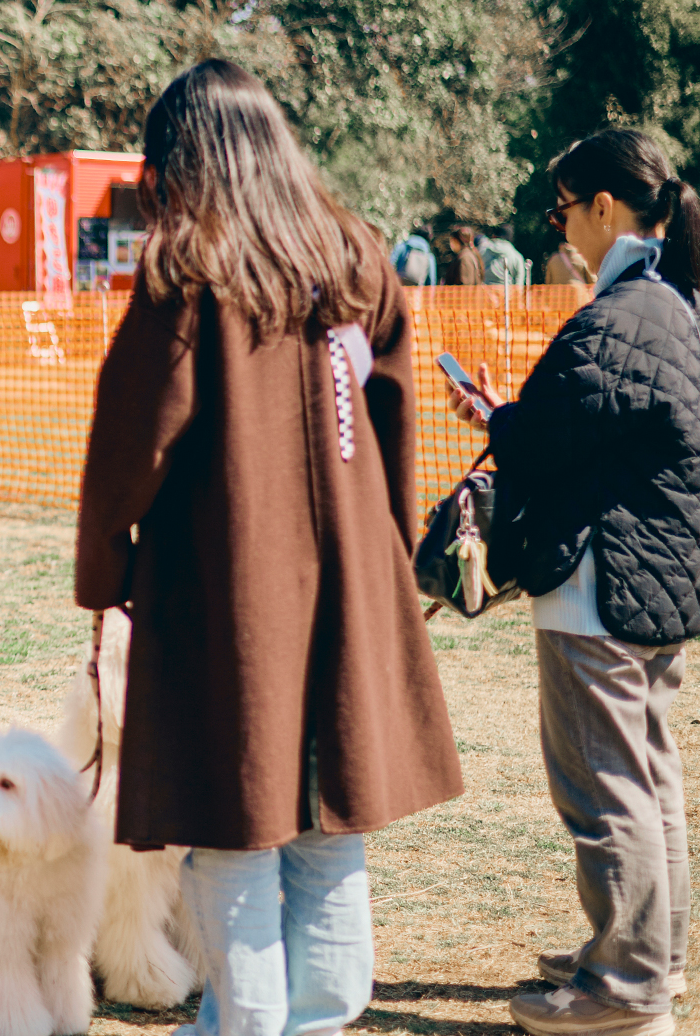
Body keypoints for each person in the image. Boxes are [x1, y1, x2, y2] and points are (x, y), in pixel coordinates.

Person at [74, 60, 463, 1036]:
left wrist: (107, 570)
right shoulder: (355, 256)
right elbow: (396, 419)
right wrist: (391, 558)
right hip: (351, 586)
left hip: (227, 592)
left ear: (182, 160)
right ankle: (312, 1024)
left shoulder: (187, 270)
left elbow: (131, 443)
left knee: (233, 825)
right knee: (331, 823)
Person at [449, 131, 696, 1036]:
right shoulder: (670, 303)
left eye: (561, 212)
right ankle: (651, 959)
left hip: (602, 582)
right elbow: (589, 426)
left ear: (602, 206)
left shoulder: (620, 313)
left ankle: (624, 989)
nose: (559, 230)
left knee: (604, 788)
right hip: (655, 581)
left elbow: (550, 439)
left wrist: (499, 422)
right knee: (649, 779)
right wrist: (506, 416)